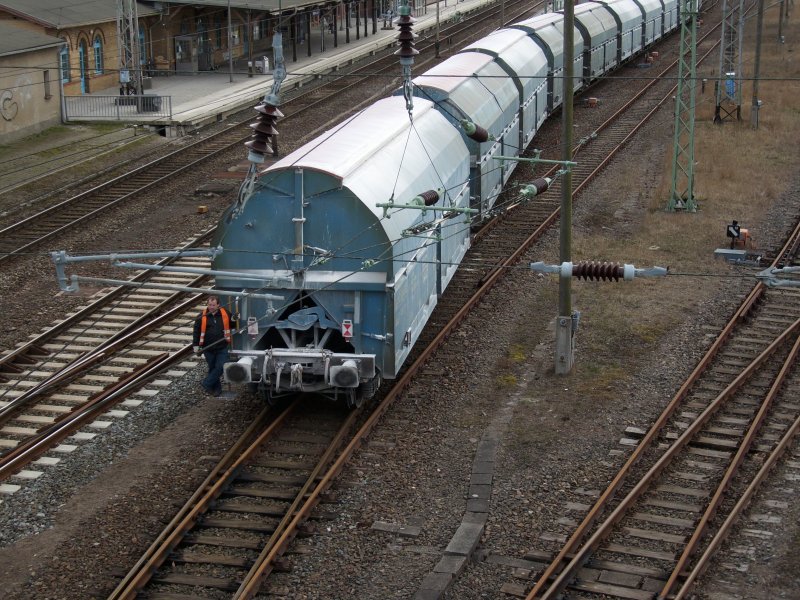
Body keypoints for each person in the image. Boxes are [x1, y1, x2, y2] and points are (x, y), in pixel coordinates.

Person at [192, 295, 233, 397]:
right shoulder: (201, 316)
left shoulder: (225, 313)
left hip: (222, 347)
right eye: (209, 305)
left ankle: (207, 383)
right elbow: (196, 332)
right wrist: (196, 346)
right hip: (208, 348)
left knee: (221, 366)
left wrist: (235, 319)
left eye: (213, 305)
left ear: (218, 305)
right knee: (212, 368)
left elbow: (232, 324)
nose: (211, 307)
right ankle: (217, 390)